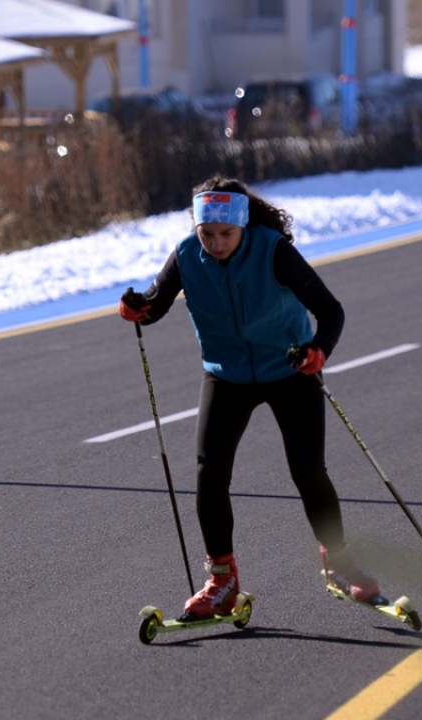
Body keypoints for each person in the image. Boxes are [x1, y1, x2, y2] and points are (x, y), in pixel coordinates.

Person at [118, 174, 382, 621]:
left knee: (308, 470)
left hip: (290, 369)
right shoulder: (186, 255)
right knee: (209, 471)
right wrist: (137, 306)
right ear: (196, 229)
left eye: (226, 234)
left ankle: (338, 559)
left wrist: (319, 350)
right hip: (228, 375)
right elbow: (156, 303)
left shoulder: (272, 249)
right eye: (208, 235)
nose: (217, 244)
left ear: (243, 226)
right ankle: (221, 580)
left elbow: (330, 309)